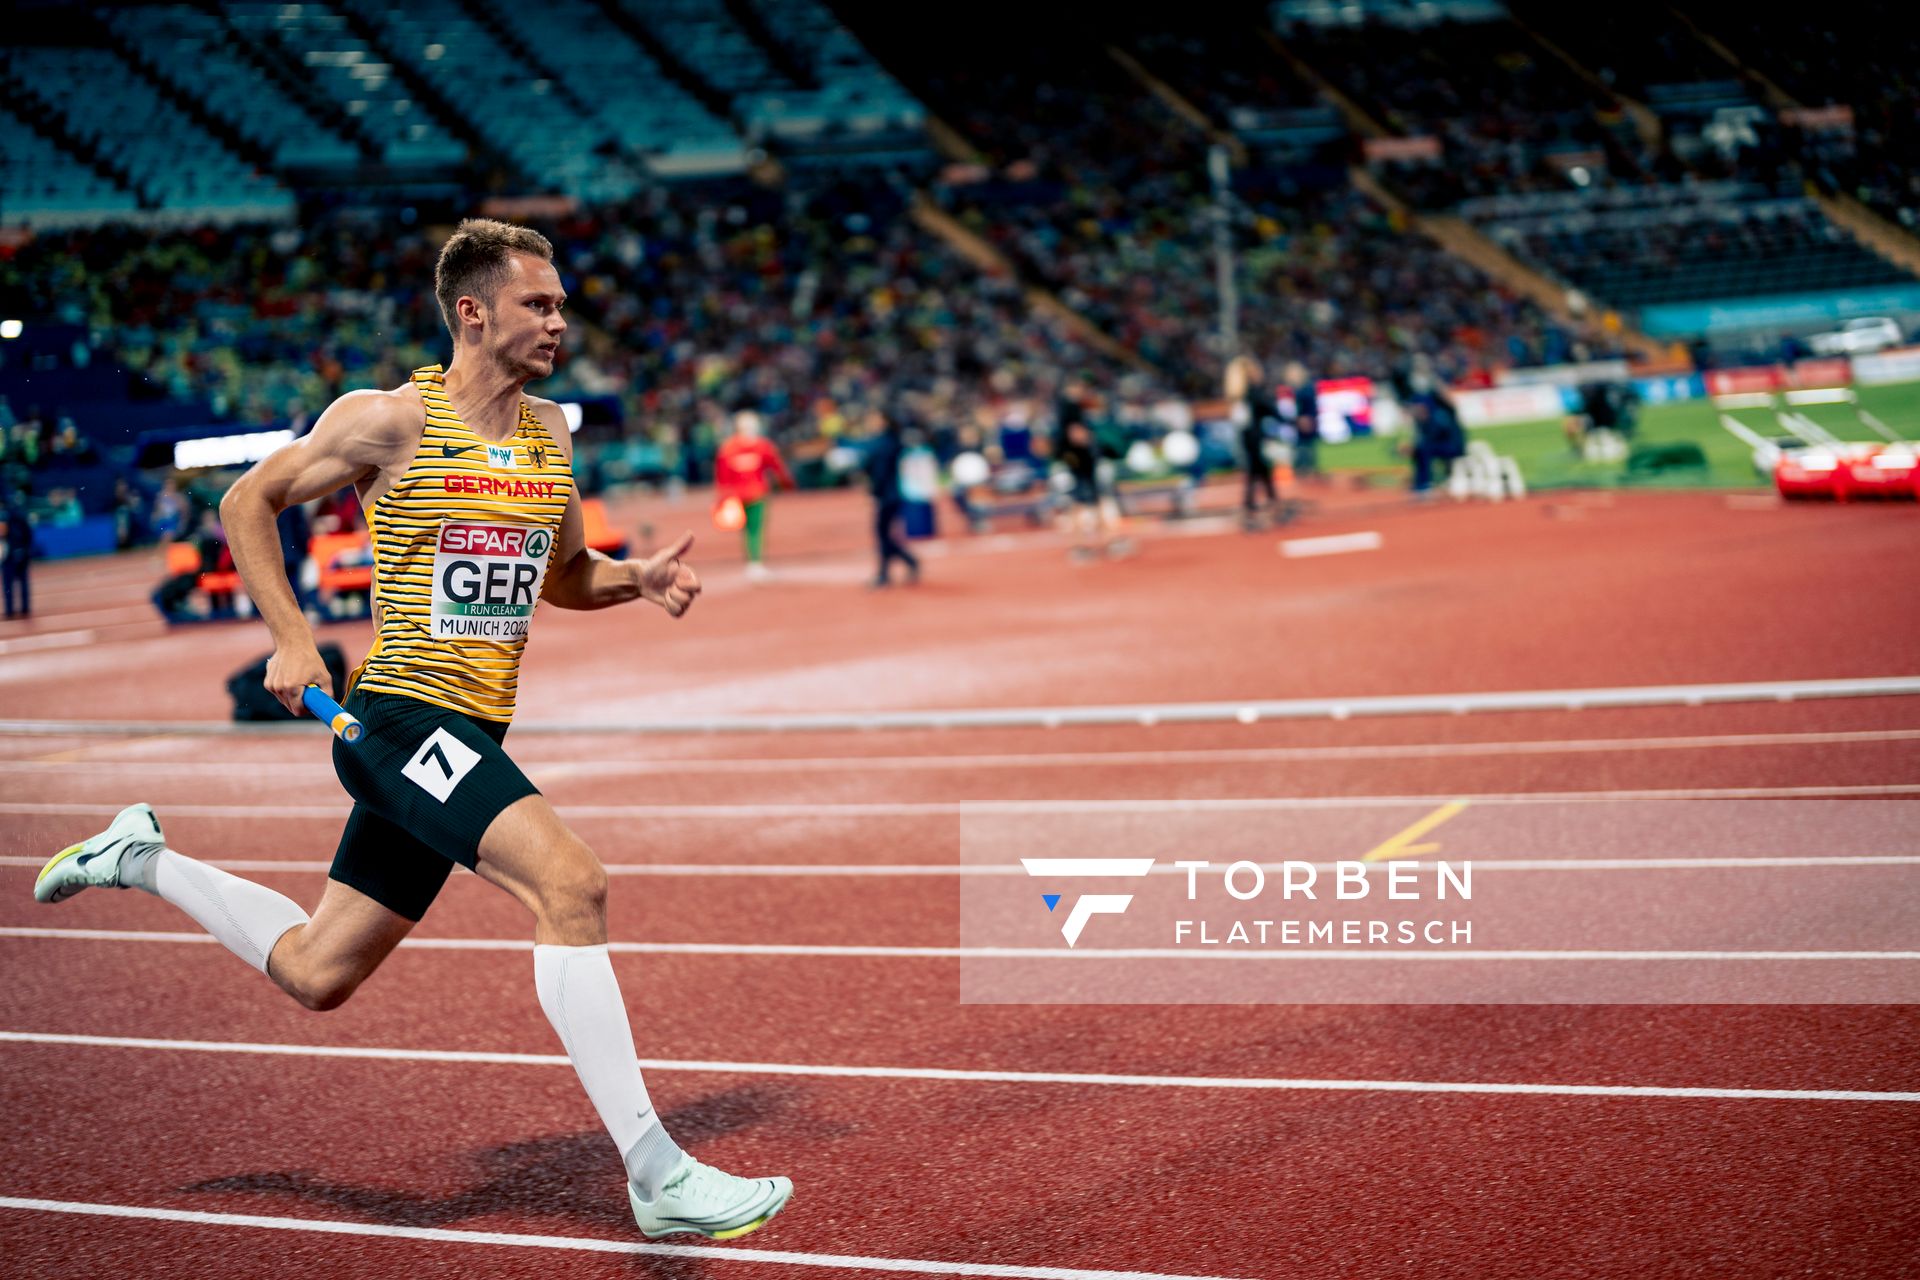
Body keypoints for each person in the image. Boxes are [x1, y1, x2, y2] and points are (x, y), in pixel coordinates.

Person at [35, 219, 792, 1242]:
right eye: (541, 303)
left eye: (562, 303)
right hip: (395, 716)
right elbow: (247, 498)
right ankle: (657, 1172)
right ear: (473, 311)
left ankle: (142, 855)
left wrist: (635, 578)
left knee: (316, 971)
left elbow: (565, 575)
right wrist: (293, 638)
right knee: (572, 883)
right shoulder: (390, 419)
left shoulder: (549, 434)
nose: (561, 320)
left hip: (468, 731)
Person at [713, 409, 793, 582]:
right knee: (755, 529)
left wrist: (723, 497)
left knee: (747, 530)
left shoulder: (729, 447)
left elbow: (722, 476)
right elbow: (777, 467)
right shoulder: (761, 446)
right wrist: (786, 483)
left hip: (738, 495)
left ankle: (752, 562)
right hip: (756, 494)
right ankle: (755, 563)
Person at [863, 407, 919, 588]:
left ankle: (891, 570)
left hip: (888, 494)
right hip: (892, 493)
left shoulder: (884, 443)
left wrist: (875, 492)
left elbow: (879, 472)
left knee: (883, 535)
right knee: (884, 534)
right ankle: (891, 569)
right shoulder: (890, 441)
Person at [1225, 356, 1279, 528]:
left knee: (1258, 471)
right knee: (1258, 470)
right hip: (1254, 438)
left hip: (1246, 438)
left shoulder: (1239, 394)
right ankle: (1261, 504)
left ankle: (1258, 503)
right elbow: (1268, 408)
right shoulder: (1251, 392)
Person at [2, 486, 33, 619]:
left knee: (8, 583)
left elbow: (2, 532)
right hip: (22, 551)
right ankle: (25, 608)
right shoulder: (21, 514)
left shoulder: (4, 515)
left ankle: (10, 611)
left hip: (10, 553)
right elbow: (28, 534)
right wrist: (26, 548)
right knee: (23, 582)